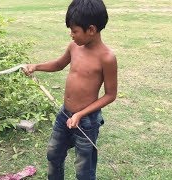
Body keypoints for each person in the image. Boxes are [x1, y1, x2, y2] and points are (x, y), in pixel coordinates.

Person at [23, 0, 117, 179]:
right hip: (65, 114)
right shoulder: (74, 47)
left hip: (87, 121)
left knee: (84, 169)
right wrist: (36, 66)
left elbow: (111, 95)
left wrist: (80, 114)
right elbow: (59, 64)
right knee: (53, 154)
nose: (71, 35)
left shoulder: (107, 58)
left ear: (91, 29)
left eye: (74, 31)